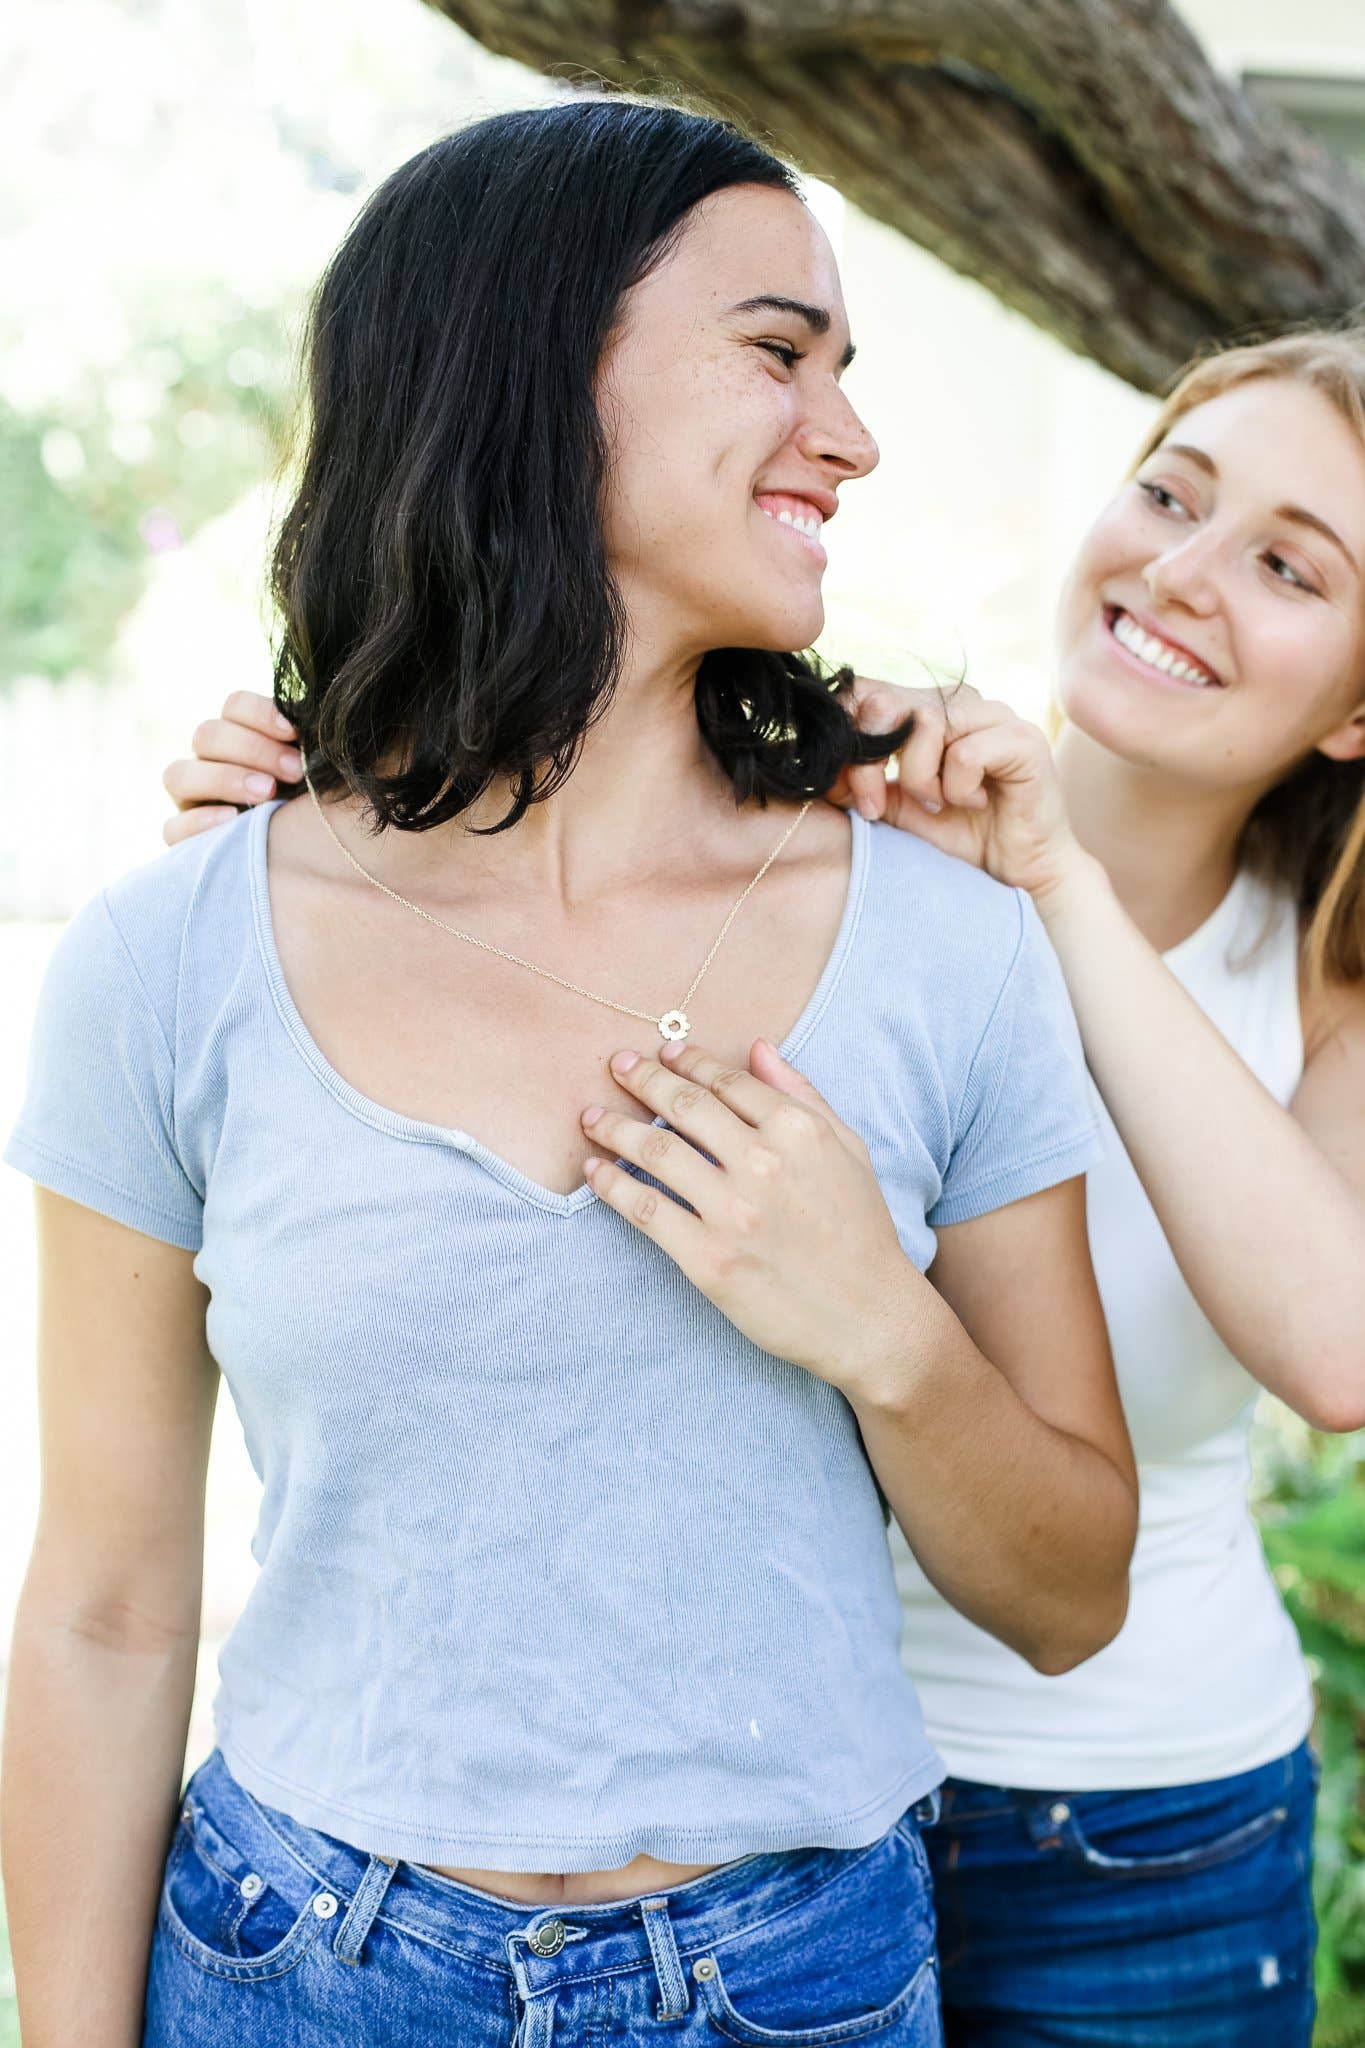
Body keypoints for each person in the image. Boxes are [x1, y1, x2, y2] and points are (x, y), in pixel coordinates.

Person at [2, 101, 1136, 2048]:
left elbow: (1065, 1591)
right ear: (524, 365)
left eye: (844, 372)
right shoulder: (172, 953)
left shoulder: (944, 943)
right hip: (300, 1970)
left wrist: (886, 1331)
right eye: (777, 353)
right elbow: (105, 1607)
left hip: (794, 1987)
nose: (847, 435)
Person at [178, 325, 1365, 2047]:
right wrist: (308, 816)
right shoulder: (820, 807)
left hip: (1132, 1833)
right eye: (1167, 495)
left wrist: (1049, 891)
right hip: (748, 1832)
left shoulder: (1321, 979)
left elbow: (1337, 1352)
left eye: (1284, 564)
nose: (1180, 573)